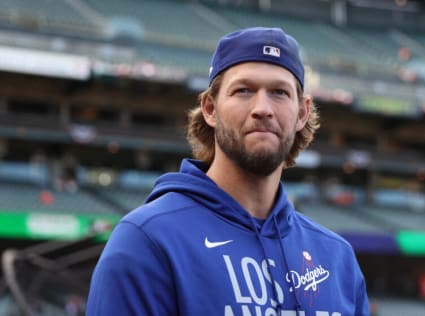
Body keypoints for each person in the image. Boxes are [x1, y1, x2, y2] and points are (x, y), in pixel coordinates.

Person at [86, 27, 369, 315]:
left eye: (279, 92)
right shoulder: (148, 242)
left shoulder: (337, 259)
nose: (263, 108)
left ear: (302, 113)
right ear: (210, 108)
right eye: (244, 90)